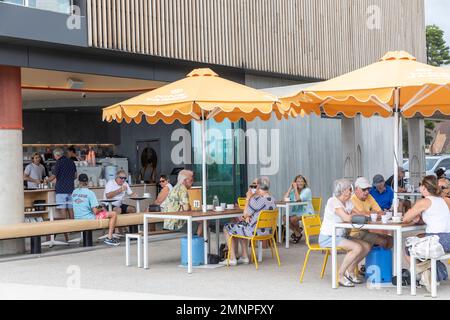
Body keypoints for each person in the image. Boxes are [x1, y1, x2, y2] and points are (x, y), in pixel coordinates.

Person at [319, 179, 371, 287]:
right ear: (343, 191)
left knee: (366, 246)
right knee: (357, 247)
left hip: (341, 235)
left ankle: (350, 271)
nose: (351, 191)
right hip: (329, 236)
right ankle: (340, 275)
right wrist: (358, 217)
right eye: (349, 189)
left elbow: (359, 213)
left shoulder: (348, 202)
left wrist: (367, 215)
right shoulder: (332, 201)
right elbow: (346, 218)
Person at [403, 176, 450, 291]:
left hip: (438, 240)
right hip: (448, 238)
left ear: (424, 188)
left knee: (408, 247)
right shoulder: (443, 200)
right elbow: (434, 217)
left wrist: (412, 213)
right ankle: (431, 272)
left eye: (420, 185)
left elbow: (405, 218)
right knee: (419, 237)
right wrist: (419, 218)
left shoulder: (424, 201)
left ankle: (424, 272)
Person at [222, 177, 276, 266]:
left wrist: (248, 198)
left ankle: (232, 258)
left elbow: (245, 214)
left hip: (254, 232)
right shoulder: (272, 199)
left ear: (258, 186)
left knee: (227, 227)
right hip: (268, 232)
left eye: (255, 185)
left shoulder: (257, 200)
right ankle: (244, 256)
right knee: (242, 225)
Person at [72, 174, 119, 246]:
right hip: (88, 218)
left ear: (78, 181)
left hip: (77, 217)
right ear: (87, 182)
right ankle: (109, 238)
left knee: (104, 211)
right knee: (113, 214)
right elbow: (95, 211)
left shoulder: (74, 192)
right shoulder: (90, 193)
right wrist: (101, 208)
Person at [351, 177, 393, 249]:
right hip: (355, 232)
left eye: (368, 189)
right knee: (384, 241)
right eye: (364, 189)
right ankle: (378, 259)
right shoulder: (352, 199)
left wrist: (369, 213)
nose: (367, 191)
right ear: (356, 189)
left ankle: (385, 260)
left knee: (390, 239)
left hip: (366, 230)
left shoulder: (369, 197)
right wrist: (372, 213)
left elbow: (381, 213)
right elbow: (361, 215)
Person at [163, 170, 203, 236]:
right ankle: (194, 244)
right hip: (176, 224)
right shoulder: (182, 188)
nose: (192, 182)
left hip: (169, 222)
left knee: (200, 221)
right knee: (203, 222)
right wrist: (189, 207)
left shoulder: (175, 187)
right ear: (184, 181)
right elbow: (186, 208)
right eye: (191, 180)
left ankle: (195, 242)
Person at [47, 148, 77, 220]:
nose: (55, 157)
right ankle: (73, 227)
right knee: (71, 208)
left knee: (62, 209)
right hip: (71, 189)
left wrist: (46, 180)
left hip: (61, 190)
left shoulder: (58, 163)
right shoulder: (71, 162)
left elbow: (53, 176)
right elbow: (75, 176)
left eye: (55, 156)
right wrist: (68, 179)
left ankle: (66, 230)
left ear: (57, 155)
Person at [283, 175, 314, 243]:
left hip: (306, 212)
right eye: (298, 181)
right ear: (295, 183)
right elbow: (285, 199)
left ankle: (297, 232)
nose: (300, 183)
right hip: (296, 212)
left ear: (304, 183)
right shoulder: (293, 190)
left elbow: (298, 200)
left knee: (292, 219)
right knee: (285, 218)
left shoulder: (307, 190)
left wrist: (295, 189)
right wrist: (290, 188)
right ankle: (297, 233)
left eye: (302, 181)